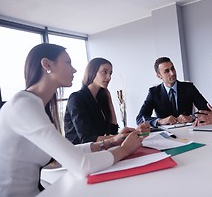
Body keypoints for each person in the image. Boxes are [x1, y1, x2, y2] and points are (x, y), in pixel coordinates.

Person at [0, 43, 144, 197]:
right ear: (47, 64)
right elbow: (82, 165)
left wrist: (109, 143)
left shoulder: (37, 105)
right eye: (68, 63)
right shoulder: (23, 105)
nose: (74, 69)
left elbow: (63, 153)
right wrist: (125, 149)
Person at [64, 58, 149, 144]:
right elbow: (87, 139)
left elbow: (113, 129)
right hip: (78, 151)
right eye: (104, 72)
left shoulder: (101, 97)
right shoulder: (77, 98)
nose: (109, 77)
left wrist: (109, 99)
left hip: (97, 149)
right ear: (92, 72)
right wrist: (127, 136)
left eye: (110, 73)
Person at [136, 57, 209, 126]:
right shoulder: (154, 92)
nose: (172, 73)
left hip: (189, 131)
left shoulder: (189, 87)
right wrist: (160, 121)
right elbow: (140, 119)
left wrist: (191, 117)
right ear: (159, 76)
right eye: (167, 71)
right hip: (165, 135)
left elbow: (207, 111)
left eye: (172, 68)